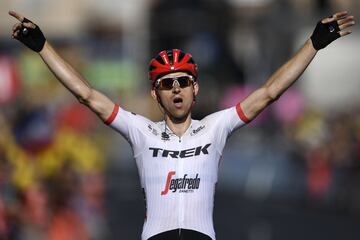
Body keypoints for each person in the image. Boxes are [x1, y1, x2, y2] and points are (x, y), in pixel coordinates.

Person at [9, 9, 355, 240]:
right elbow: (86, 94)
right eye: (167, 83)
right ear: (155, 95)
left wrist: (313, 44)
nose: (176, 88)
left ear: (195, 89)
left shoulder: (215, 128)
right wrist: (42, 47)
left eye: (183, 82)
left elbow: (268, 92)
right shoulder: (141, 130)